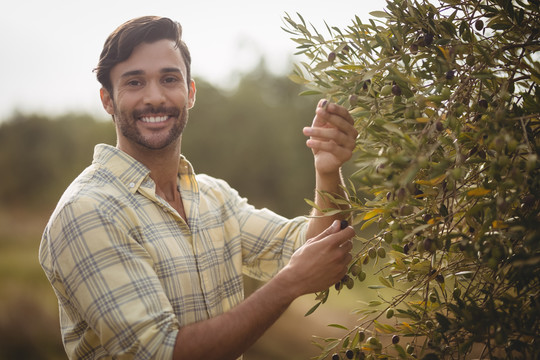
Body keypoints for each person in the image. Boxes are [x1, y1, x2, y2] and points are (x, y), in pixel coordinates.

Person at [39, 16, 358, 360]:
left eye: (169, 79)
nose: (155, 97)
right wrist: (289, 284)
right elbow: (160, 353)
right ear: (107, 101)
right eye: (134, 83)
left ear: (189, 93)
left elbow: (316, 250)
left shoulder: (212, 197)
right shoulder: (87, 211)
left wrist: (327, 171)